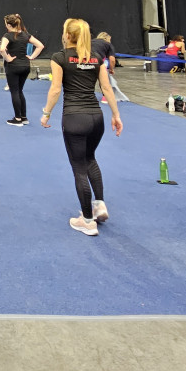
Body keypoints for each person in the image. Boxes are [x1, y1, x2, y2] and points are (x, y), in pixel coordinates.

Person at [40, 18, 123, 237]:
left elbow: (55, 89)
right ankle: (99, 205)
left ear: (67, 35)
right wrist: (116, 115)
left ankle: (87, 221)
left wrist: (46, 113)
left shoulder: (59, 58)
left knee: (78, 168)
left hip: (75, 119)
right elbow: (106, 88)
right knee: (90, 159)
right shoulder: (95, 58)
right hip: (96, 118)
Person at [0, 14, 44, 126]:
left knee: (14, 92)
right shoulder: (25, 34)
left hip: (13, 67)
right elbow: (40, 46)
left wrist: (8, 58)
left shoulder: (7, 36)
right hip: (25, 66)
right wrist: (32, 57)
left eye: (6, 24)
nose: (5, 26)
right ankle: (24, 117)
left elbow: (2, 49)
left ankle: (18, 119)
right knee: (19, 91)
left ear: (9, 25)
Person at [92, 32, 129, 102]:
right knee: (103, 78)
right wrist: (111, 69)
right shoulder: (108, 44)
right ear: (108, 38)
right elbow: (112, 60)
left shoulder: (91, 41)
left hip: (84, 60)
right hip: (97, 61)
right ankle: (106, 97)